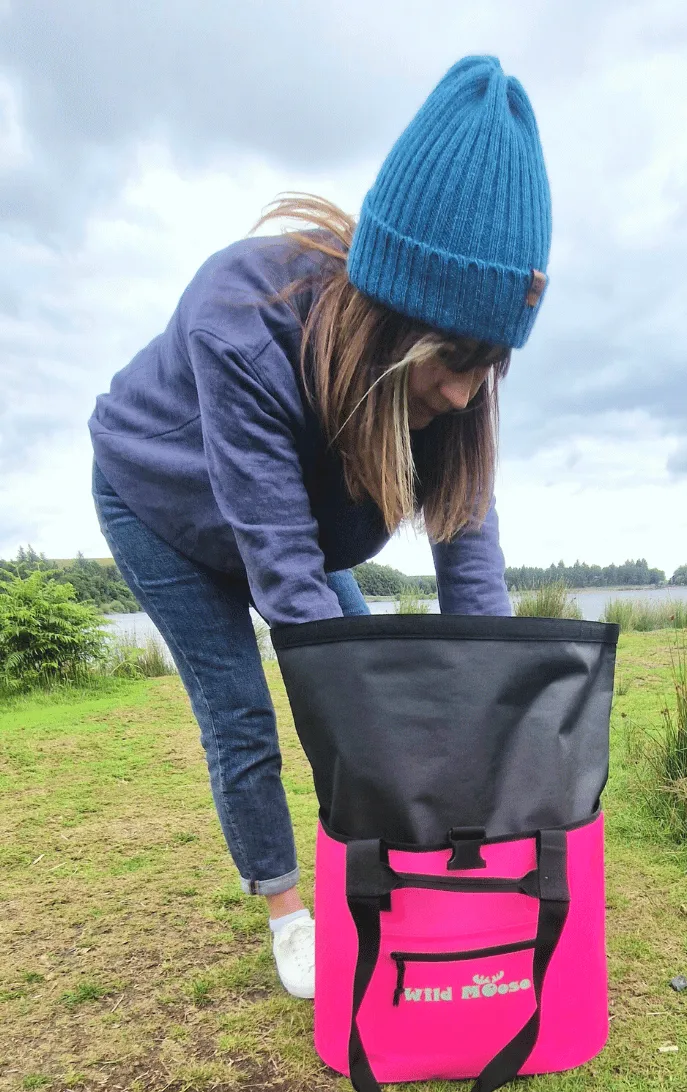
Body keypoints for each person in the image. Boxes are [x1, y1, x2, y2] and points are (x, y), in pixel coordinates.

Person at [88, 55, 551, 999]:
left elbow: (475, 589)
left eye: (488, 364)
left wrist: (486, 762)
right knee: (244, 715)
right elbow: (292, 600)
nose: (466, 390)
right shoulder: (243, 321)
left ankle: (393, 866)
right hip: (161, 505)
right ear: (394, 323)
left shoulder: (456, 397)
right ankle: (289, 915)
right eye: (451, 360)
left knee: (372, 660)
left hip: (286, 526)